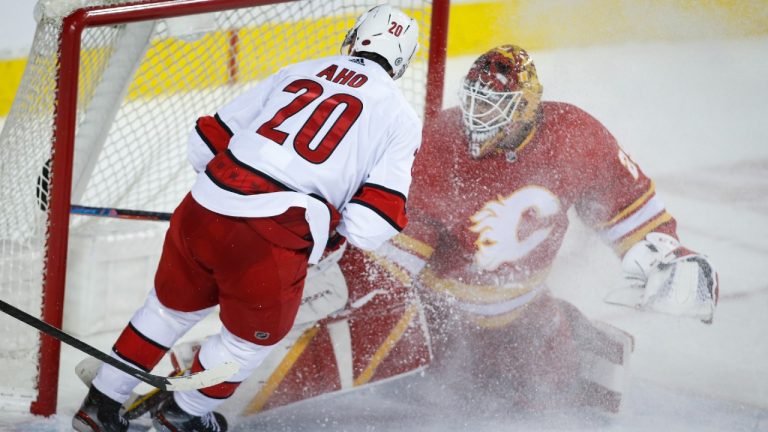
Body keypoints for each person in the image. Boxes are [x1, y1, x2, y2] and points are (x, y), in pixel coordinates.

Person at [72, 5, 421, 432]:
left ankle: (100, 403)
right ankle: (183, 414)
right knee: (244, 346)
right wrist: (328, 229)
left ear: (353, 38)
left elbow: (203, 145)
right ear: (402, 62)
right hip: (270, 238)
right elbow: (371, 225)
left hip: (201, 209)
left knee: (164, 312)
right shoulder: (400, 116)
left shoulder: (299, 69)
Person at [339, 44, 719, 413]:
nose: (475, 115)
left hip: (526, 312)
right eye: (472, 99)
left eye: (491, 106)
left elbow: (626, 204)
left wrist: (668, 254)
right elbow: (396, 258)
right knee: (434, 397)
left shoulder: (574, 136)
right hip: (441, 318)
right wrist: (352, 288)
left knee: (556, 396)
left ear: (524, 109)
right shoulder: (436, 145)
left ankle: (577, 335)